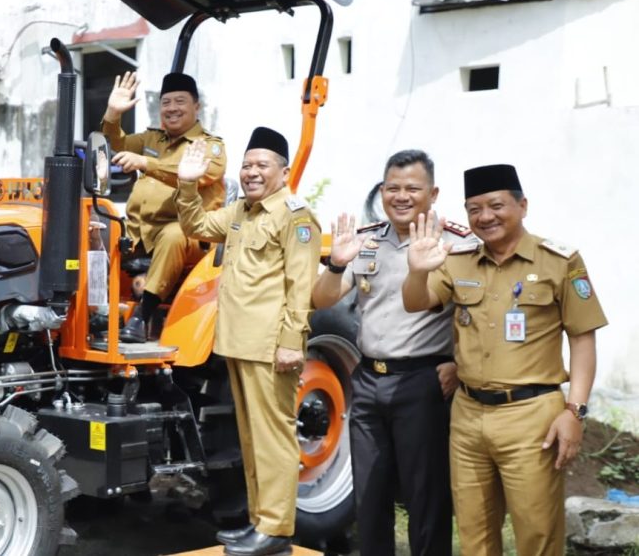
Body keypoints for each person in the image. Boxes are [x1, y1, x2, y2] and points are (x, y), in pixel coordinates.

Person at [401, 164, 607, 555]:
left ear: (522, 205)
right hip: (468, 414)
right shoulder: (457, 259)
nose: (485, 217)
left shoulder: (559, 261)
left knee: (537, 533)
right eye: (474, 209)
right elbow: (416, 301)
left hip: (532, 416)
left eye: (496, 205)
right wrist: (416, 270)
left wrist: (574, 411)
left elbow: (582, 339)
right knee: (474, 534)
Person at [311, 150, 469, 556]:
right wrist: (334, 264)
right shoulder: (366, 242)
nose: (401, 196)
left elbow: (477, 312)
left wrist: (459, 363)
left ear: (432, 193)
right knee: (369, 494)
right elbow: (322, 299)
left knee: (425, 497)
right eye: (392, 188)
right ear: (382, 191)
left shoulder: (457, 244)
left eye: (412, 189)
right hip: (366, 381)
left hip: (423, 381)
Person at [175, 128, 320, 556]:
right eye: (247, 165)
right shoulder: (240, 210)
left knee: (273, 438)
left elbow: (301, 285)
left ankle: (276, 530)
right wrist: (187, 182)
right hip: (236, 342)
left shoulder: (295, 217)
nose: (252, 172)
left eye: (262, 165)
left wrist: (293, 342)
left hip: (271, 346)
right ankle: (261, 523)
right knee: (250, 439)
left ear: (284, 171)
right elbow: (196, 224)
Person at [102, 71, 227, 342]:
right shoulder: (151, 139)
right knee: (95, 228)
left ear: (197, 106)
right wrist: (113, 115)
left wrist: (146, 163)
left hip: (191, 238)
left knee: (173, 233)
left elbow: (198, 173)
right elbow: (114, 144)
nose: (172, 108)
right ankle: (88, 312)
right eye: (166, 102)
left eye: (180, 101)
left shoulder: (210, 147)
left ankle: (141, 317)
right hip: (138, 232)